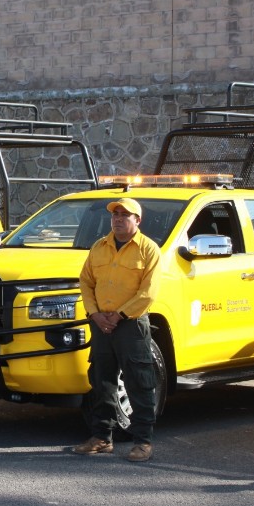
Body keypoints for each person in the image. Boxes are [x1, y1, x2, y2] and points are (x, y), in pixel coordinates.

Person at [74, 197, 161, 462]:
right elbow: (86, 282)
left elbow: (149, 292)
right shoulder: (99, 247)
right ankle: (101, 437)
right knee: (101, 381)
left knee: (139, 382)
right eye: (115, 214)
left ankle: (143, 441)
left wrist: (120, 315)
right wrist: (95, 314)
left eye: (125, 215)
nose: (119, 219)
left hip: (131, 325)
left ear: (138, 220)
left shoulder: (148, 249)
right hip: (101, 325)